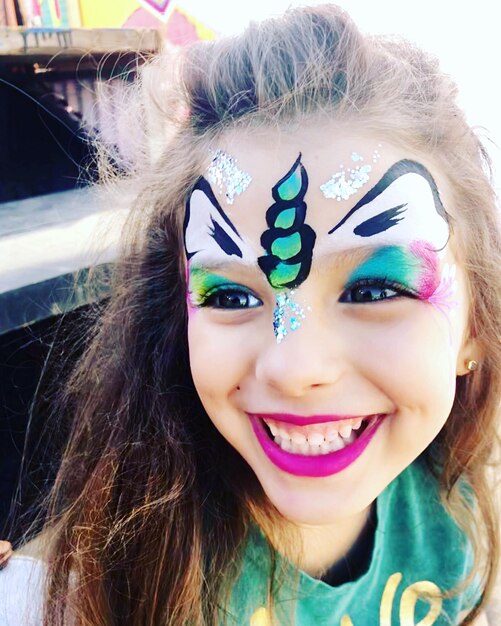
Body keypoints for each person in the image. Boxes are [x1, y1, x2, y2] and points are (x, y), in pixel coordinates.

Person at [0, 4, 500, 625]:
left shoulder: (454, 515)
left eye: (374, 290)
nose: (294, 369)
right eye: (232, 297)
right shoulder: (84, 596)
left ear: (476, 324)